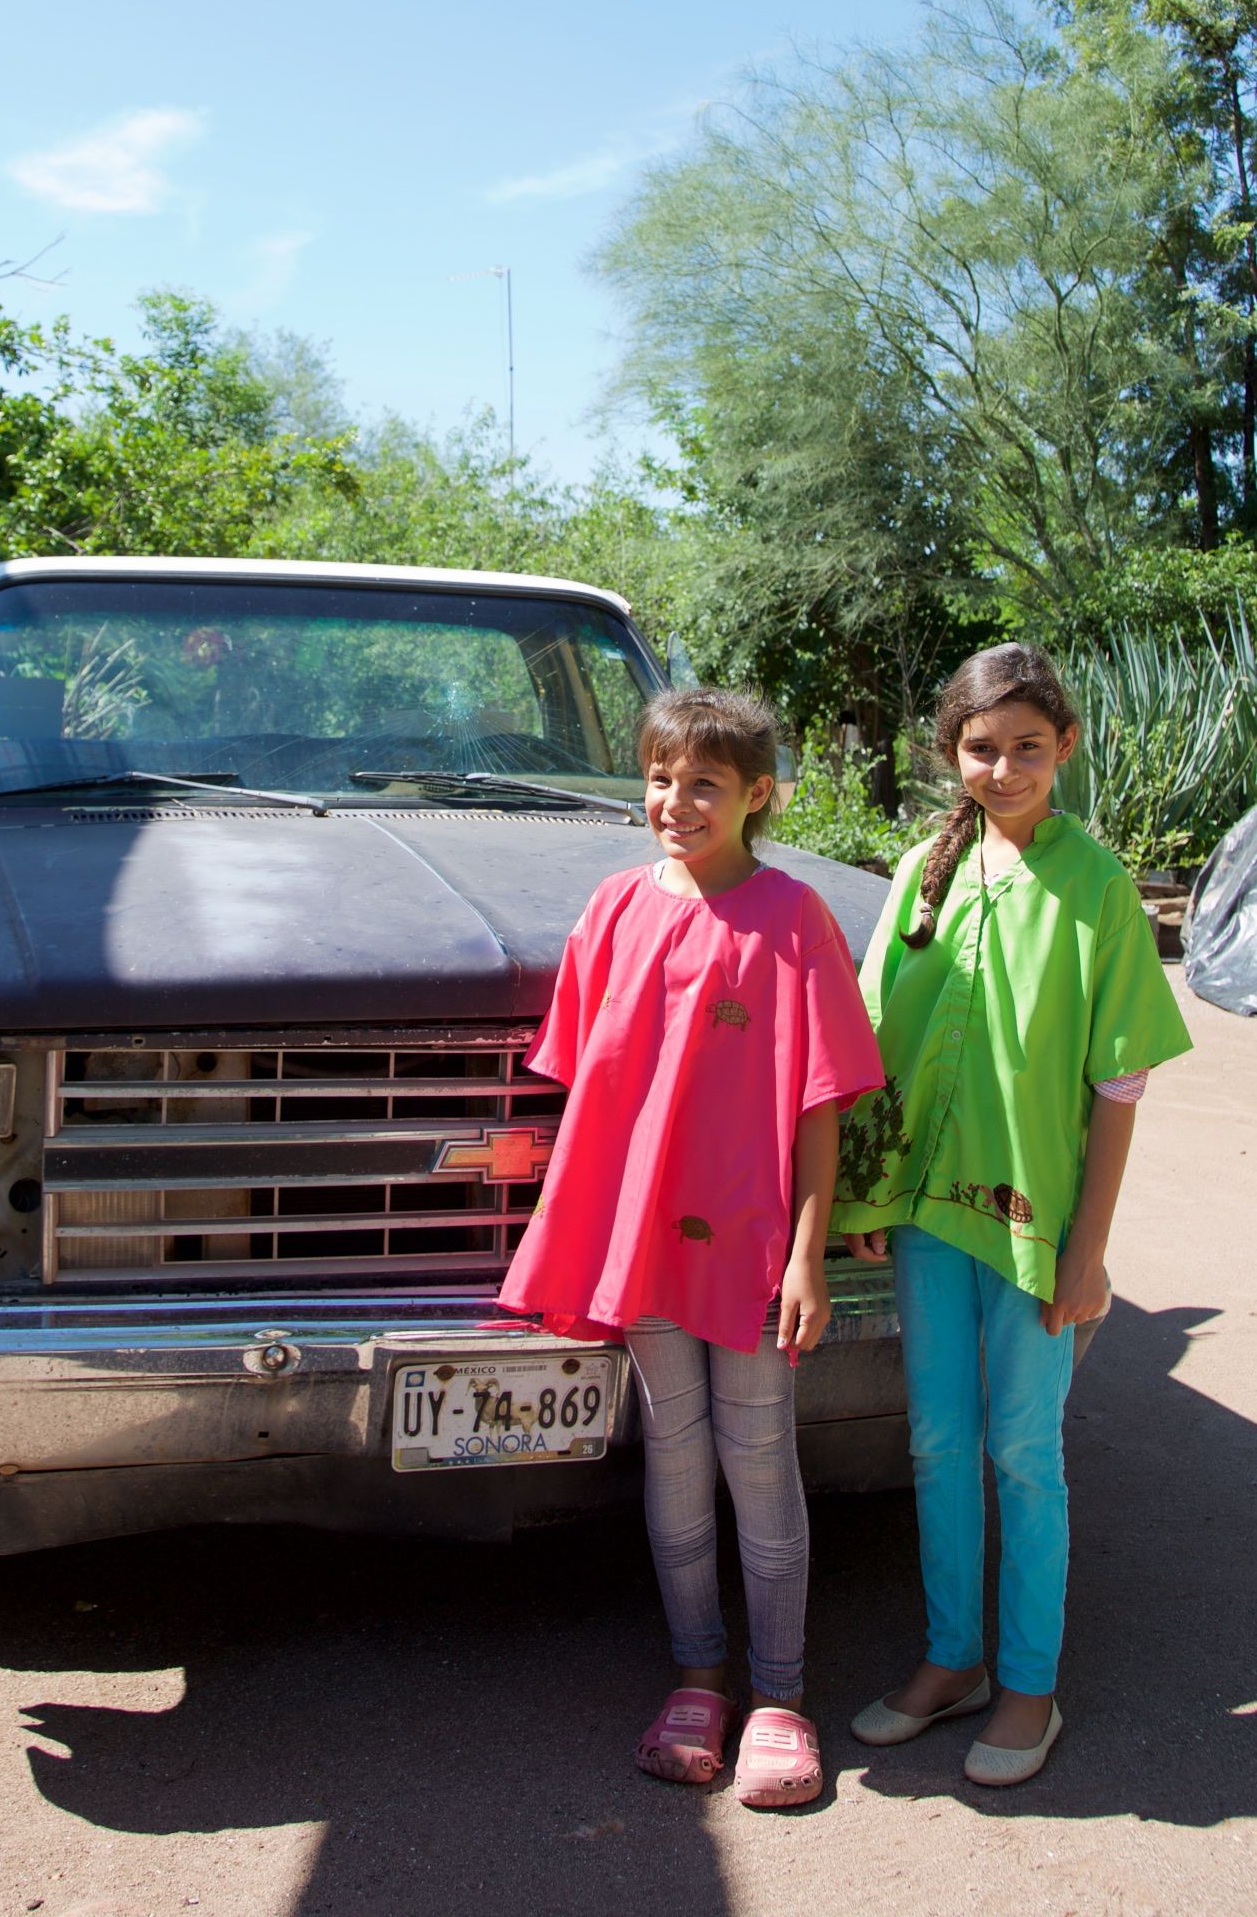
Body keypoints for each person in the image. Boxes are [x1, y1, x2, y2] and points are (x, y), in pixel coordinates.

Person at [498, 688, 884, 1809]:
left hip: (755, 1244)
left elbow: (818, 1102)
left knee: (757, 1459)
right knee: (672, 1456)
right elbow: (593, 1090)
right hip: (646, 1243)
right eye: (660, 778)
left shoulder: (792, 914)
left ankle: (779, 1694)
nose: (675, 801)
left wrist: (809, 1254)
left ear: (755, 795)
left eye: (703, 783)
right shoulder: (613, 908)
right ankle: (697, 1676)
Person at [836, 644, 1193, 1787]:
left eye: (1024, 747)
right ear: (951, 751)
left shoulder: (1096, 887)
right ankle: (953, 1659)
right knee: (936, 1442)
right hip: (927, 1219)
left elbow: (1116, 1085)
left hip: (1035, 1228)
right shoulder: (918, 873)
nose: (1001, 768)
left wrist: (1087, 1250)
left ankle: (1028, 1684)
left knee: (1021, 1451)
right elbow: (876, 1038)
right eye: (979, 748)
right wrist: (861, 1194)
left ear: (1064, 747)